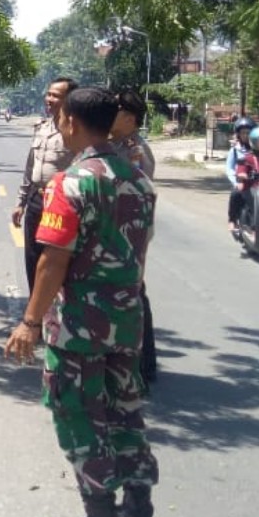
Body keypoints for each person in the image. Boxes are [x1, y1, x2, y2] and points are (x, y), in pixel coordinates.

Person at [3, 86, 158, 517]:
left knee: (79, 416)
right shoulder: (138, 179)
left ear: (70, 122)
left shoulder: (70, 183)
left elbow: (53, 261)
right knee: (125, 409)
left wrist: (30, 322)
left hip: (80, 326)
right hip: (125, 320)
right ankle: (139, 510)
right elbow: (140, 253)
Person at [12, 78, 77, 294]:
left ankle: (56, 318)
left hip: (61, 204)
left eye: (56, 96)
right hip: (37, 201)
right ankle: (36, 317)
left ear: (70, 99)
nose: (49, 99)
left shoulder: (75, 131)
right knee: (33, 259)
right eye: (48, 94)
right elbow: (31, 166)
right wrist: (21, 201)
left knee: (56, 262)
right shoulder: (41, 127)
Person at [111, 89, 158, 384]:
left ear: (129, 118)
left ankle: (144, 364)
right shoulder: (115, 143)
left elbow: (132, 192)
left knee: (133, 293)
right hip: (116, 229)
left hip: (126, 231)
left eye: (115, 110)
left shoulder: (134, 149)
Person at [226, 116, 255, 235]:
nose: (246, 135)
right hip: (242, 181)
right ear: (239, 134)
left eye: (248, 133)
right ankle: (232, 220)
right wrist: (236, 181)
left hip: (258, 181)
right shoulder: (234, 150)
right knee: (235, 194)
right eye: (243, 133)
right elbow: (229, 168)